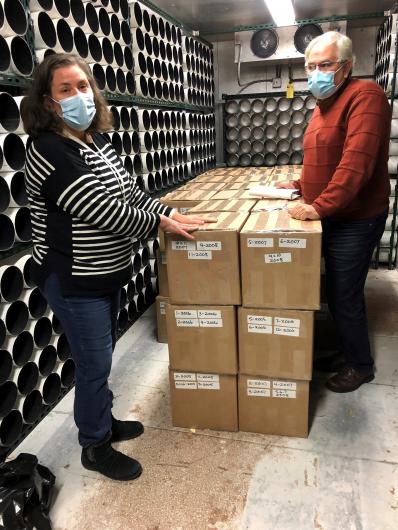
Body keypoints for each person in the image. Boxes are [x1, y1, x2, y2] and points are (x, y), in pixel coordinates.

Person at [21, 53, 211, 481]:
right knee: (94, 364)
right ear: (49, 102)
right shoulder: (49, 150)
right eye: (65, 89)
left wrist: (171, 213)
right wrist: (159, 224)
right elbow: (103, 210)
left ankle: (102, 421)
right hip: (73, 278)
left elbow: (130, 192)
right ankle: (94, 444)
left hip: (106, 273)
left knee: (98, 360)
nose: (78, 95)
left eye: (83, 86)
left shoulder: (96, 143)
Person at [277, 32, 391, 393]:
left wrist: (318, 206)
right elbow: (324, 160)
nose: (316, 73)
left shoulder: (366, 97)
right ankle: (345, 351)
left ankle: (360, 365)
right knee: (336, 290)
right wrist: (299, 184)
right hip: (333, 214)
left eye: (325, 65)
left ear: (346, 66)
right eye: (310, 66)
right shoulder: (323, 105)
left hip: (355, 218)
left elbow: (355, 164)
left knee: (345, 293)